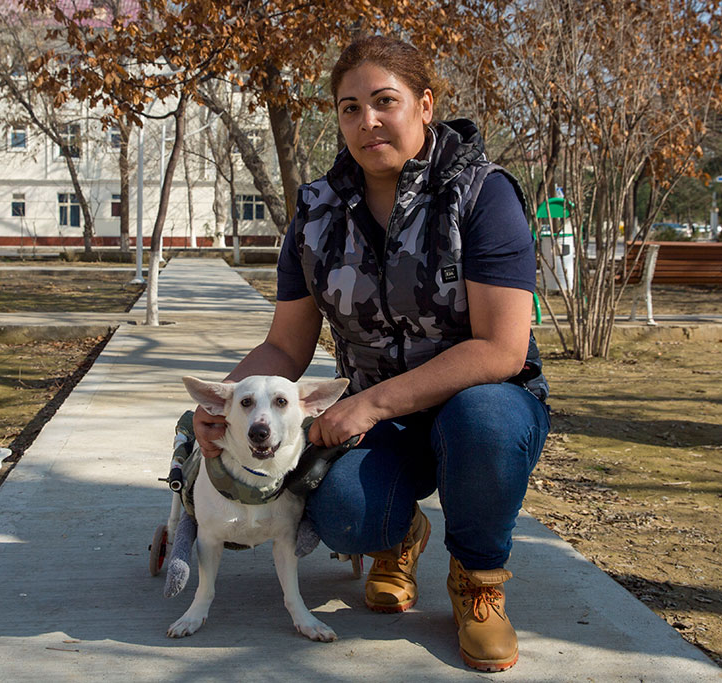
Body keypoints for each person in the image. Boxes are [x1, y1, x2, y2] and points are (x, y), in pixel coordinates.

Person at [192, 35, 549, 673]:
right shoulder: (315, 212)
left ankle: (477, 581)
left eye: (386, 101)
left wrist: (373, 403)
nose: (368, 121)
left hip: (479, 400)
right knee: (343, 515)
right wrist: (224, 403)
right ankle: (401, 535)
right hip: (380, 417)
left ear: (425, 105)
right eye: (350, 108)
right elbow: (284, 344)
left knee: (485, 422)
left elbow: (502, 347)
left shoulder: (481, 195)